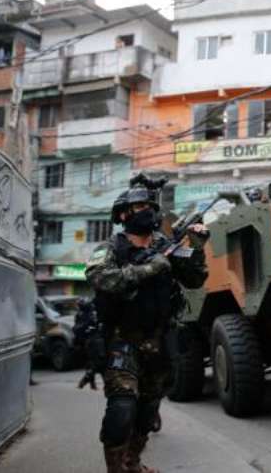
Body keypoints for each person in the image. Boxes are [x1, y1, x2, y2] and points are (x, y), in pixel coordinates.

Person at [86, 185, 208, 472]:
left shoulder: (165, 245)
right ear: (125, 214)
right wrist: (149, 268)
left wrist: (197, 248)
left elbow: (195, 280)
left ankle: (133, 463)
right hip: (122, 339)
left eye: (150, 206)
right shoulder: (111, 248)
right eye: (141, 207)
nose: (149, 211)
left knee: (147, 411)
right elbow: (101, 279)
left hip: (160, 340)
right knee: (122, 408)